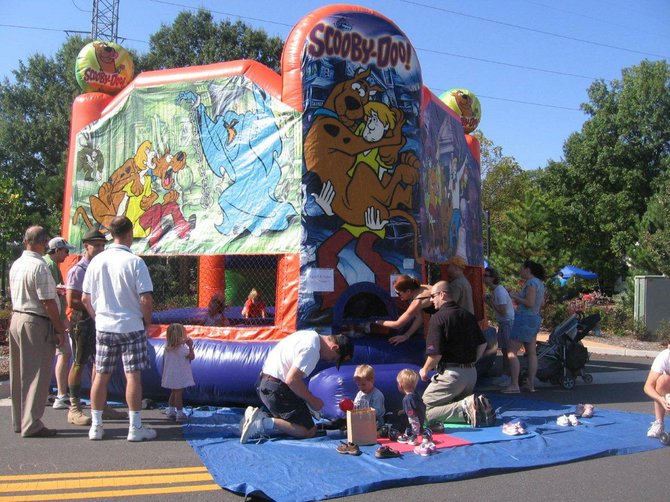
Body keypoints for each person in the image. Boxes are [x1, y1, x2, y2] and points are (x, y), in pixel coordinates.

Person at [82, 216, 156, 442]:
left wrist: (99, 318)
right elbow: (146, 298)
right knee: (132, 376)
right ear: (129, 233)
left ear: (111, 234)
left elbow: (86, 298)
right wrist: (147, 322)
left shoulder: (96, 261)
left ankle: (96, 425)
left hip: (105, 326)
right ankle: (135, 427)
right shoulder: (135, 262)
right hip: (131, 324)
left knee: (101, 375)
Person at [239, 330, 354, 443]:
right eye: (334, 358)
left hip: (263, 384)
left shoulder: (308, 335)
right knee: (308, 431)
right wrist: (312, 400)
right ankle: (262, 422)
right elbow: (292, 380)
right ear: (334, 347)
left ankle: (256, 417)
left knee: (301, 415)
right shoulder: (312, 349)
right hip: (274, 389)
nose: (329, 360)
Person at [8, 225, 66, 437]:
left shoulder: (17, 264)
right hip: (35, 321)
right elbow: (47, 301)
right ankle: (31, 423)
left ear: (26, 241)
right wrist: (59, 328)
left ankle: (19, 420)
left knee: (19, 373)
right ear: (43, 244)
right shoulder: (39, 266)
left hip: (17, 317)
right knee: (37, 374)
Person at [64, 228, 126, 426]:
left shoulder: (101, 268)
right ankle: (74, 408)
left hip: (101, 321)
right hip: (82, 321)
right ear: (86, 246)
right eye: (96, 245)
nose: (100, 249)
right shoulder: (78, 270)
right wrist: (96, 305)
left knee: (100, 363)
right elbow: (72, 300)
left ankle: (99, 405)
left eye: (102, 245)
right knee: (79, 361)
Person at [419, 281, 496, 428]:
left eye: (433, 296)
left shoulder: (438, 318)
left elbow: (435, 354)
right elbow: (483, 343)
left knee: (420, 411)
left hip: (452, 376)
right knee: (447, 405)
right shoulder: (468, 315)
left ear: (442, 294)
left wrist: (425, 370)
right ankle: (471, 406)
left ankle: (464, 408)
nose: (431, 300)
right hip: (471, 375)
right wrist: (472, 362)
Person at [502, 260, 546, 394]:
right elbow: (541, 302)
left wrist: (513, 296)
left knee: (511, 351)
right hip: (535, 319)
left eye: (522, 268)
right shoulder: (540, 283)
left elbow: (530, 302)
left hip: (524, 318)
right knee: (531, 352)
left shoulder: (531, 283)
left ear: (528, 269)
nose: (520, 270)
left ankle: (514, 384)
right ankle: (531, 383)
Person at [44, 237, 75, 410]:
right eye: (65, 251)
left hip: (53, 317)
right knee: (64, 353)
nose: (67, 254)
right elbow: (50, 297)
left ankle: (52, 393)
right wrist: (61, 324)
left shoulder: (49, 264)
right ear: (56, 250)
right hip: (53, 318)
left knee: (56, 355)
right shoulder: (49, 266)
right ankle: (61, 395)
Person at [376, 275, 433, 345]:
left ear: (408, 291)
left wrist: (376, 321)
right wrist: (407, 335)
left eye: (399, 293)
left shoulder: (417, 302)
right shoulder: (421, 288)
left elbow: (397, 324)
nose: (399, 297)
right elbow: (419, 318)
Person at [483, 266, 515, 385]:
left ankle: (509, 376)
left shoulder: (499, 291)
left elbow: (502, 310)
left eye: (486, 276)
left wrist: (490, 301)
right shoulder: (496, 291)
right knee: (505, 349)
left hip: (507, 322)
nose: (483, 278)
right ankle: (505, 374)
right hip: (503, 322)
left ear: (493, 278)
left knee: (508, 350)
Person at [162, 323, 195, 422]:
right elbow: (191, 357)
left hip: (170, 374)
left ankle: (171, 411)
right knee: (178, 394)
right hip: (179, 375)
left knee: (173, 392)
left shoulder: (167, 347)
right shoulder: (182, 349)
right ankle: (179, 414)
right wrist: (190, 346)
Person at [643, 336, 670, 438]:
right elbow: (647, 386)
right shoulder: (664, 357)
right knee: (663, 380)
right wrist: (661, 399)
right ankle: (659, 422)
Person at [396, 368, 427, 445]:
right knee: (416, 427)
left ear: (400, 385)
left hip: (413, 420)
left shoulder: (407, 399)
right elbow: (417, 407)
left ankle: (413, 438)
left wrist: (415, 427)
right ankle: (424, 436)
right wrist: (403, 411)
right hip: (421, 417)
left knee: (410, 425)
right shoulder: (416, 395)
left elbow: (411, 413)